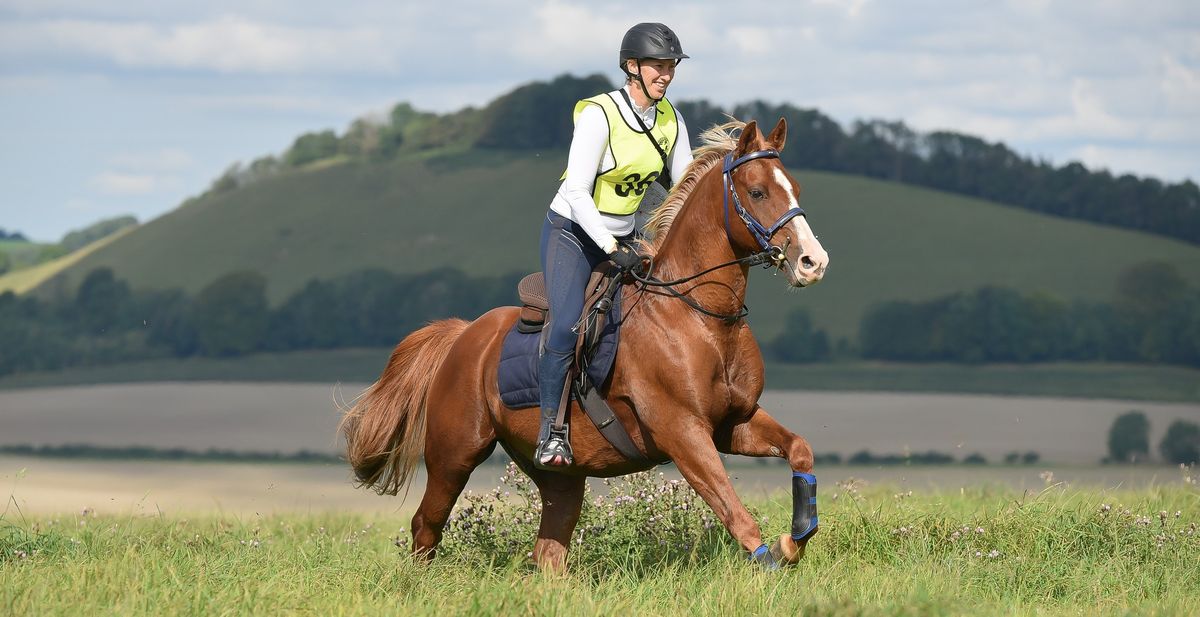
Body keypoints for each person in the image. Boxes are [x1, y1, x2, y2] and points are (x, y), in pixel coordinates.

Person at [535, 22, 694, 468]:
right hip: (574, 232)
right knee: (567, 324)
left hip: (626, 235)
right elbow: (577, 193)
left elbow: (681, 191)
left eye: (670, 67)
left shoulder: (671, 121)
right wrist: (610, 245)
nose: (665, 75)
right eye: (657, 66)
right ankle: (551, 432)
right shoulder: (599, 115)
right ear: (631, 67)